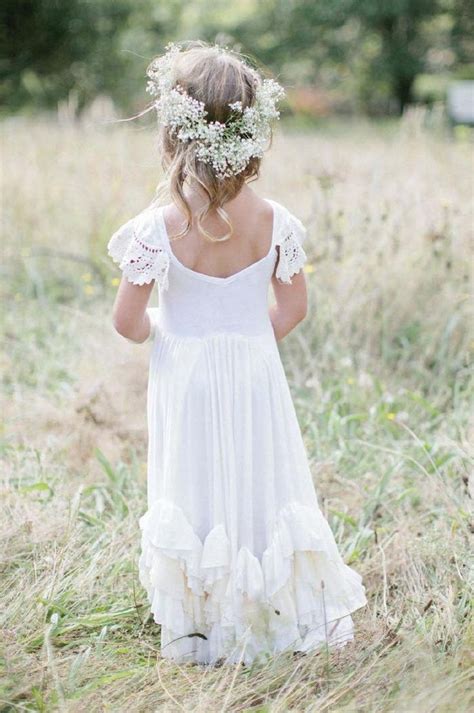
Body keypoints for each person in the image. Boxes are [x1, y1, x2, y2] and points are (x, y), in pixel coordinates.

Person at [107, 40, 367, 667]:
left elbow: (127, 322)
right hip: (255, 371)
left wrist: (164, 338)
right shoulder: (275, 221)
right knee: (260, 480)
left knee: (193, 480)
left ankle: (202, 624)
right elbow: (295, 307)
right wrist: (249, 340)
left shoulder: (155, 228)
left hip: (185, 375)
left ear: (174, 131)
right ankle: (271, 609)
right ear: (252, 131)